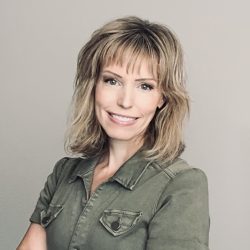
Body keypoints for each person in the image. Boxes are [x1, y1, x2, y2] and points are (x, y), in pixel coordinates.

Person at [17, 16, 210, 250]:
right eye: (112, 81)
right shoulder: (63, 174)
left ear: (163, 97)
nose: (125, 101)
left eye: (145, 86)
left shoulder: (181, 185)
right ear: (94, 85)